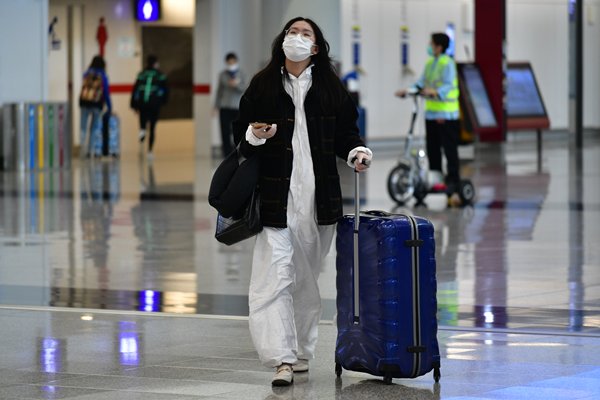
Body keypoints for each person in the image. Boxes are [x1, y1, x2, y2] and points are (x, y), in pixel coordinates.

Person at [233, 17, 372, 387]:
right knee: (273, 278)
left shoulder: (329, 87)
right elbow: (240, 134)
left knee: (305, 282)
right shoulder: (263, 84)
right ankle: (281, 359)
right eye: (291, 32)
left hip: (317, 201)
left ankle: (300, 353)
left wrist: (357, 152)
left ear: (315, 47)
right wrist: (254, 135)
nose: (296, 37)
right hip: (274, 199)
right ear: (282, 41)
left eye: (305, 33)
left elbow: (347, 133)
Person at [395, 32, 463, 207]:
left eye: (431, 44)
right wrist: (407, 91)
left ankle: (454, 184)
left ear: (439, 47)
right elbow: (421, 82)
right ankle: (436, 179)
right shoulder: (430, 63)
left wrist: (435, 92)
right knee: (433, 149)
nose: (429, 46)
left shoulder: (447, 63)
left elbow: (448, 85)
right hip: (432, 114)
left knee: (449, 151)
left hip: (446, 114)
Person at [130, 55, 168, 160]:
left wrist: (134, 105)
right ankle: (150, 151)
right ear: (155, 63)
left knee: (143, 126)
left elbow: (135, 90)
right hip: (154, 105)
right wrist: (162, 102)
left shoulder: (142, 74)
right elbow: (165, 90)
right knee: (152, 128)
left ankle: (141, 143)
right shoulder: (160, 75)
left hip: (143, 105)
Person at [214, 52, 246, 157]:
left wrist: (236, 85)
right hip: (224, 107)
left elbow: (244, 89)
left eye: (233, 62)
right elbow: (219, 91)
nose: (231, 64)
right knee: (225, 131)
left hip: (237, 107)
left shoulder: (241, 74)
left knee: (237, 130)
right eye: (229, 62)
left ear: (236, 62)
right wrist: (216, 106)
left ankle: (239, 152)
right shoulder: (223, 74)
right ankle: (226, 154)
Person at [79, 55, 112, 158]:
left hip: (84, 103)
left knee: (83, 127)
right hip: (97, 104)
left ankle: (82, 149)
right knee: (93, 129)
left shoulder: (86, 74)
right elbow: (106, 92)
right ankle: (91, 151)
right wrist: (109, 106)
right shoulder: (103, 76)